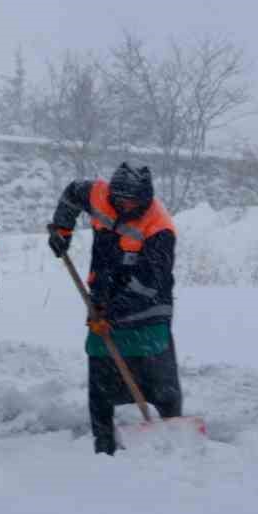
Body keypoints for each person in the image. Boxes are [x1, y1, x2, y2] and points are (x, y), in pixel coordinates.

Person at [46, 161, 182, 455]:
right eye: (118, 198)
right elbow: (71, 195)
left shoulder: (159, 228)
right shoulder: (98, 194)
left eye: (130, 200)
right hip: (102, 300)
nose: (122, 204)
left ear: (145, 199)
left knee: (160, 383)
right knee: (101, 380)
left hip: (149, 312)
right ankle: (104, 446)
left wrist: (111, 312)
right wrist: (62, 229)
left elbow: (149, 285)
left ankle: (173, 439)